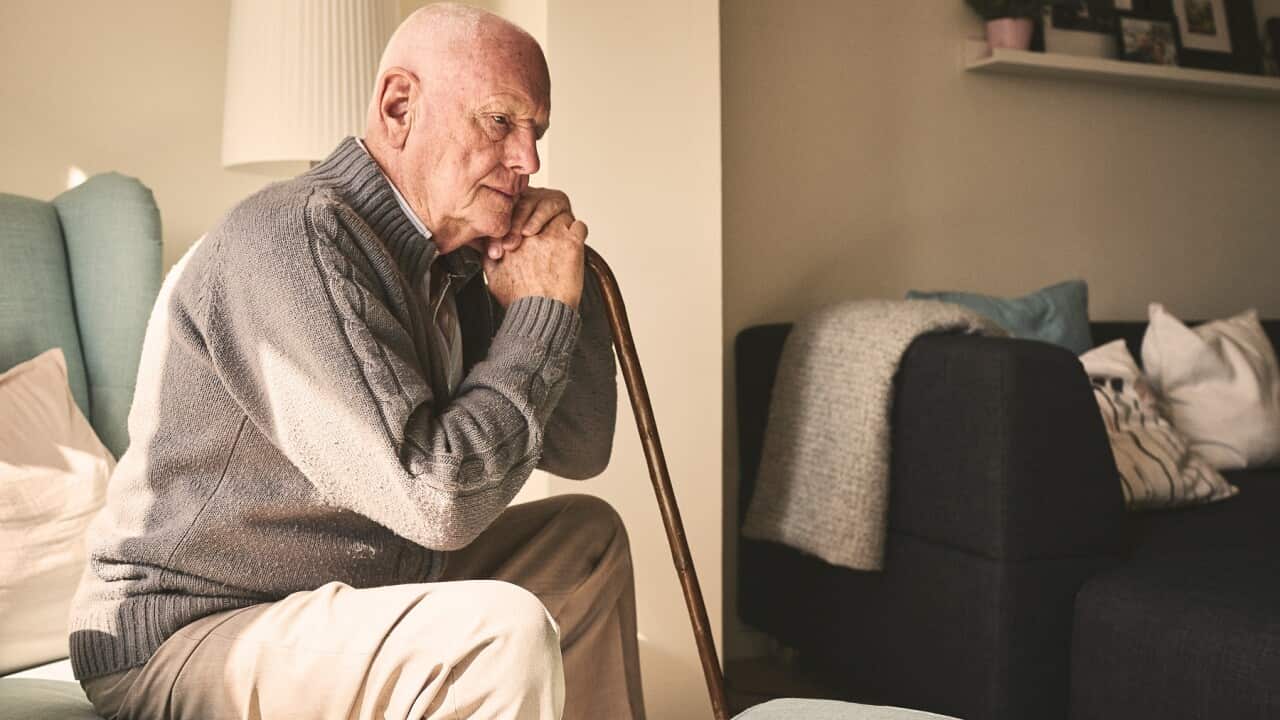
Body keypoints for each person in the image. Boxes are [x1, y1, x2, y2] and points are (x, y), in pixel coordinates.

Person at [68, 4, 644, 719]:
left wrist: (559, 287)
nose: (529, 160)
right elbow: (441, 501)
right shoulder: (293, 238)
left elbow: (581, 447)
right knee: (498, 634)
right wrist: (539, 316)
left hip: (353, 594)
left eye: (538, 132)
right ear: (400, 106)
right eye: (501, 121)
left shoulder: (455, 259)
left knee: (585, 540)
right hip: (192, 631)